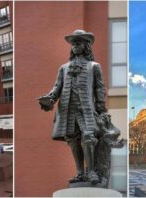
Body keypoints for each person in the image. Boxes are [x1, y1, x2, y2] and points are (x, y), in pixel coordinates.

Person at [38, 30, 109, 185]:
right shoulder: (64, 68)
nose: (75, 46)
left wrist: (101, 108)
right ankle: (79, 173)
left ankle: (91, 172)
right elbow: (57, 87)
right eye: (73, 44)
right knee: (73, 140)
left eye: (78, 43)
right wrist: (49, 98)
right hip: (67, 109)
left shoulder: (94, 66)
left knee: (89, 137)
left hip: (86, 109)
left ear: (86, 46)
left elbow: (100, 88)